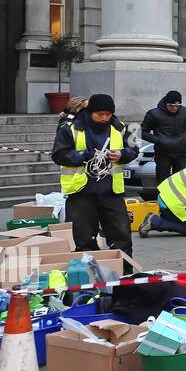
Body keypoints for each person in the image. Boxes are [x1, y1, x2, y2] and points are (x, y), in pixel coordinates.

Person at [50, 93, 138, 273]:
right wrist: (85, 156)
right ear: (90, 112)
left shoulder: (120, 128)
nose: (104, 118)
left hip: (111, 192)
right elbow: (59, 155)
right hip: (81, 193)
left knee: (121, 237)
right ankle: (91, 278)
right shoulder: (70, 128)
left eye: (107, 114)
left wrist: (122, 155)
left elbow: (134, 149)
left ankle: (123, 276)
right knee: (84, 240)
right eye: (99, 114)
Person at [141, 90, 186, 185]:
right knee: (163, 183)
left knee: (180, 182)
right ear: (166, 103)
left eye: (177, 106)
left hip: (180, 152)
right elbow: (142, 132)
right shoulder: (154, 114)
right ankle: (163, 199)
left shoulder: (185, 112)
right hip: (163, 153)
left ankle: (178, 200)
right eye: (171, 106)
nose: (174, 108)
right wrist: (158, 140)